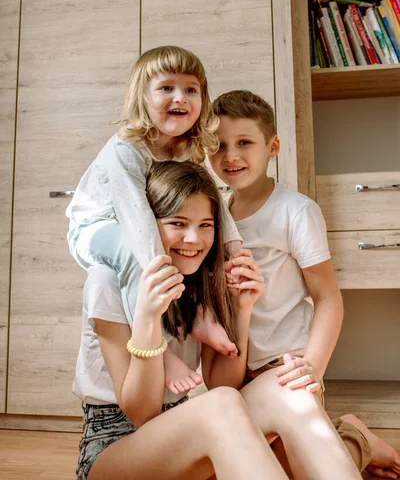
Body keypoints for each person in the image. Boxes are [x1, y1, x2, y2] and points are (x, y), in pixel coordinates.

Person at [74, 160, 363, 480]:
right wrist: (147, 319)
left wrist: (241, 309)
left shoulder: (200, 278)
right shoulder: (107, 281)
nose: (193, 239)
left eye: (205, 225)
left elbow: (223, 382)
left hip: (189, 437)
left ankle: (354, 442)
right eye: (177, 223)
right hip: (115, 445)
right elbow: (142, 413)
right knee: (221, 405)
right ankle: (355, 440)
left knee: (287, 387)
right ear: (146, 225)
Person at [208, 88, 400, 479]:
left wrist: (312, 366)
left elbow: (327, 298)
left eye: (245, 142)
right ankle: (350, 434)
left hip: (286, 364)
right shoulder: (214, 215)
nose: (230, 155)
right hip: (236, 367)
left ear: (273, 146)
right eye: (219, 145)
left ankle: (356, 437)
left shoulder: (295, 211)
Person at [67, 46, 242, 395]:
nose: (181, 97)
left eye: (191, 89)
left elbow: (215, 203)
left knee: (187, 247)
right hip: (96, 228)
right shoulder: (126, 148)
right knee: (142, 254)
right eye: (167, 88)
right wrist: (157, 265)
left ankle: (198, 315)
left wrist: (234, 249)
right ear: (142, 96)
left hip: (139, 228)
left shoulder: (184, 151)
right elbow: (134, 215)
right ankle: (157, 352)